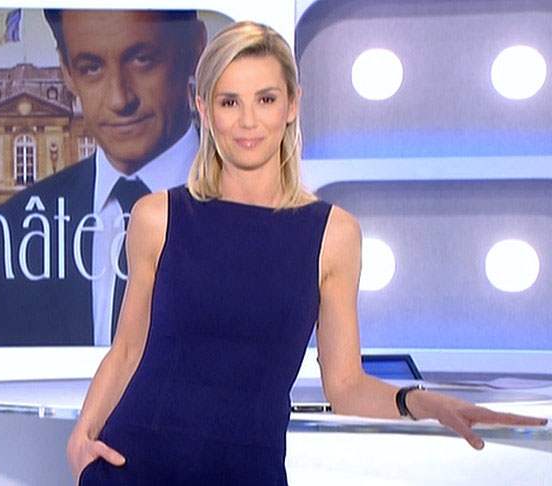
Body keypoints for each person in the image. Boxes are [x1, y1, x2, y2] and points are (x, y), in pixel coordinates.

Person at [67, 21, 549, 485]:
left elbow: (346, 386)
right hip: (134, 469)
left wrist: (422, 403)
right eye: (229, 101)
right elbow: (127, 351)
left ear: (293, 104)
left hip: (248, 474)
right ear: (204, 108)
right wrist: (81, 441)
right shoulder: (158, 217)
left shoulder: (333, 234)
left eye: (266, 99)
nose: (248, 121)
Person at [0, 10, 207, 346]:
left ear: (194, 47)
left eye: (142, 59)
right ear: (67, 72)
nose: (119, 99)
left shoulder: (251, 211)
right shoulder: (14, 227)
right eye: (91, 68)